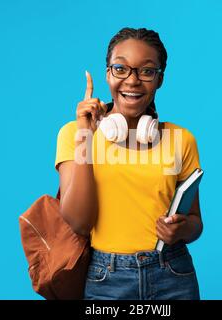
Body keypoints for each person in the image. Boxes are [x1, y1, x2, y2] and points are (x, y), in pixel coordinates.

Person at [54, 27, 203, 300]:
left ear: (160, 79)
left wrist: (181, 228)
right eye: (121, 68)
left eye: (146, 71)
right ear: (108, 74)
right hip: (107, 279)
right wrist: (86, 138)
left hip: (173, 274)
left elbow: (196, 224)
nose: (132, 81)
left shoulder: (181, 140)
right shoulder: (75, 133)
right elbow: (78, 222)